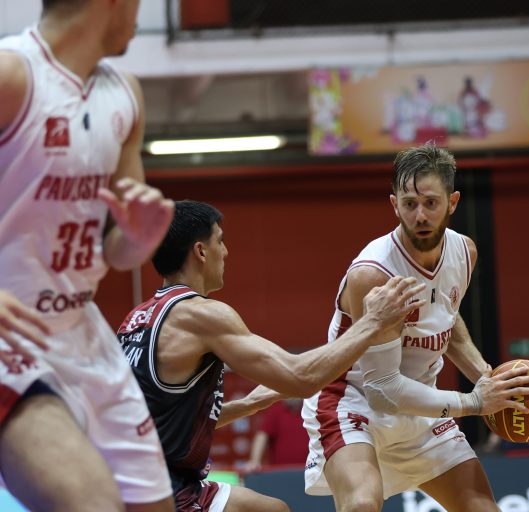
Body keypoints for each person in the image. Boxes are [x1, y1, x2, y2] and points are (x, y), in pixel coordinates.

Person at [116, 200, 427, 512]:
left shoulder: (135, 320)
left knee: (272, 509)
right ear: (200, 251)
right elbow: (302, 377)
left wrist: (250, 404)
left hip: (136, 478)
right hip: (159, 491)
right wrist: (372, 322)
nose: (225, 251)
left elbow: (168, 421)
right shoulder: (200, 315)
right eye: (220, 241)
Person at [0, 1, 177, 511]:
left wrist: (141, 238)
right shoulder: (13, 74)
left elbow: (118, 253)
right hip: (9, 342)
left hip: (83, 335)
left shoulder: (124, 95)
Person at [302, 142, 529, 512]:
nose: (421, 215)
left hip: (420, 403)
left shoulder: (464, 252)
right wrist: (474, 402)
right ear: (394, 204)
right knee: (362, 505)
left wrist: (487, 378)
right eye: (410, 204)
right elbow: (383, 391)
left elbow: (447, 318)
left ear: (453, 202)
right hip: (355, 401)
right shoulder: (374, 274)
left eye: (431, 203)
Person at [243, 398, 309, 472]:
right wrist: (254, 461)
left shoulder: (311, 411)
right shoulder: (275, 411)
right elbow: (262, 436)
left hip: (310, 470)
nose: (292, 396)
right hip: (280, 472)